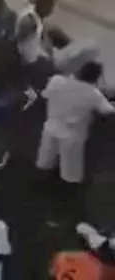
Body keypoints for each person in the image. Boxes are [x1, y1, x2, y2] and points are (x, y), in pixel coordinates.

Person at [37, 62, 114, 209]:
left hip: (50, 130)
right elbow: (108, 111)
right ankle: (64, 203)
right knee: (70, 175)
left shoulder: (56, 80)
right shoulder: (92, 93)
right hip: (71, 138)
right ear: (96, 78)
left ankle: (41, 192)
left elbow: (44, 94)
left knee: (45, 164)